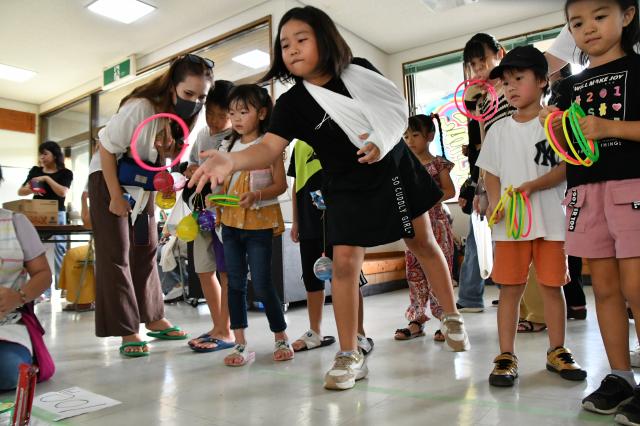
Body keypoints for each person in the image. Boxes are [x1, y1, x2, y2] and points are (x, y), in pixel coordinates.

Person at [190, 6, 469, 391]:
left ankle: (452, 315)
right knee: (343, 265)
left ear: (325, 39)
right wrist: (233, 158)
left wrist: (379, 142)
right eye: (284, 44)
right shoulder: (292, 103)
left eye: (301, 39)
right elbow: (270, 147)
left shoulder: (360, 70)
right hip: (345, 184)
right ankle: (349, 353)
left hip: (392, 170)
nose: (292, 49)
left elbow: (393, 111)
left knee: (422, 241)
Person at [540, 0, 640, 421]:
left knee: (637, 289)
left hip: (631, 188)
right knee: (604, 290)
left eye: (600, 16)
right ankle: (619, 376)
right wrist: (553, 125)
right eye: (577, 22)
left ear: (628, 15)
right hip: (585, 194)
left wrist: (610, 128)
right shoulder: (567, 87)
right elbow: (560, 151)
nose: (589, 29)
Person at [88, 54, 214, 356]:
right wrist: (116, 196)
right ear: (172, 85)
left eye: (201, 97)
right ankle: (127, 330)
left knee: (146, 250)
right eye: (188, 94)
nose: (195, 102)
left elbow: (160, 162)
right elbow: (105, 147)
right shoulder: (141, 107)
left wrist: (170, 161)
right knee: (116, 254)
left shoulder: (177, 119)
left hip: (143, 188)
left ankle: (154, 318)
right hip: (108, 181)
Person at [478, 45, 586, 387]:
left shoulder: (554, 124)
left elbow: (567, 168)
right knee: (510, 290)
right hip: (510, 227)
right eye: (506, 82)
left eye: (518, 79)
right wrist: (495, 201)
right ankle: (506, 355)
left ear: (542, 81)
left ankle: (558, 350)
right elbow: (490, 173)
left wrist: (531, 186)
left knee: (552, 288)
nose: (510, 88)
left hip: (551, 223)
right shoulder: (497, 130)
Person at [215, 84, 291, 367]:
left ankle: (280, 336)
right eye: (232, 112)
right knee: (234, 283)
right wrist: (213, 194)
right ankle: (240, 343)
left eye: (243, 112)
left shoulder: (270, 145)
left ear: (261, 113)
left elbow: (280, 185)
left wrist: (257, 195)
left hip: (259, 224)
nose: (235, 118)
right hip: (231, 223)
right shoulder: (228, 146)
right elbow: (221, 182)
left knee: (261, 282)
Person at [287, 140, 373, 355]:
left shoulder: (339, 130)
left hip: (340, 220)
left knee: (348, 276)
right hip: (309, 221)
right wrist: (296, 221)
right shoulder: (298, 144)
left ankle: (359, 334)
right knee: (312, 278)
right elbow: (297, 183)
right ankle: (315, 332)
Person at [183, 80, 235, 352]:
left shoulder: (236, 139)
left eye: (221, 115)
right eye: (210, 113)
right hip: (201, 213)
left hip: (224, 216)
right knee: (204, 270)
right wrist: (191, 170)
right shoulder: (203, 135)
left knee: (226, 272)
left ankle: (226, 331)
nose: (214, 121)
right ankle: (217, 326)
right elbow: (192, 163)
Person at [394, 114, 454, 343]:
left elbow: (450, 191)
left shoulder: (438, 163)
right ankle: (416, 319)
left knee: (439, 271)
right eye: (406, 136)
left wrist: (428, 199)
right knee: (415, 273)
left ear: (429, 136)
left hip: (437, 226)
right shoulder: (402, 165)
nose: (410, 140)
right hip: (412, 228)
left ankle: (445, 319)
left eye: (415, 135)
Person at [0, 165, 54, 391]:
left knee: (9, 370)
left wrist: (18, 296)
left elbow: (43, 275)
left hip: (5, 325)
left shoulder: (15, 222)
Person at [18, 141, 73, 289]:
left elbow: (63, 192)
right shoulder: (35, 171)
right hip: (36, 213)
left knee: (59, 249)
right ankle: (42, 289)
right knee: (36, 250)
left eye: (45, 153)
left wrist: (47, 179)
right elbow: (21, 191)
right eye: (40, 154)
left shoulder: (65, 173)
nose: (42, 157)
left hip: (57, 213)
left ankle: (62, 287)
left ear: (55, 155)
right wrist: (32, 188)